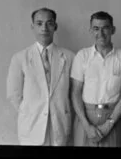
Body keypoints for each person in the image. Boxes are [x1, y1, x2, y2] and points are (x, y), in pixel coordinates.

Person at [7, 8, 74, 146]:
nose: (44, 28)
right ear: (32, 27)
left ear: (55, 26)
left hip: (60, 124)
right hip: (32, 125)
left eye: (49, 23)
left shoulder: (69, 57)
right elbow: (14, 94)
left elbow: (73, 93)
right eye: (39, 23)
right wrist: (30, 112)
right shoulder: (20, 58)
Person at [71, 11, 121, 147]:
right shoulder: (82, 56)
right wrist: (86, 126)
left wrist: (109, 124)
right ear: (90, 31)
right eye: (96, 29)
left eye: (105, 28)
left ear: (113, 30)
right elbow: (75, 93)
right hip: (85, 117)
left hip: (113, 117)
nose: (101, 33)